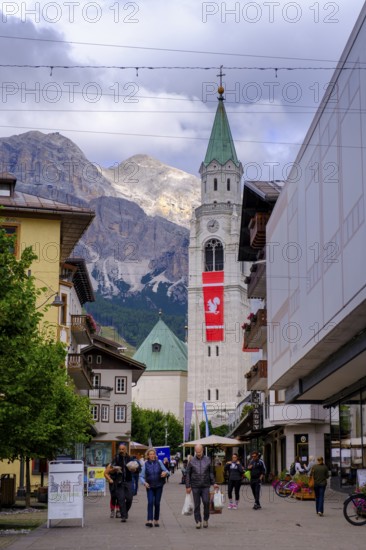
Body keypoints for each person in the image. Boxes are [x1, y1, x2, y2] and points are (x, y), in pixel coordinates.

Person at [185, 444, 219, 529]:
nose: (198, 453)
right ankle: (198, 521)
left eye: (199, 451)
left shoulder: (208, 459)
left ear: (202, 450)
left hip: (205, 485)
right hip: (195, 486)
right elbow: (188, 474)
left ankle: (205, 519)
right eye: (196, 452)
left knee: (206, 502)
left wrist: (214, 482)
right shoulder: (191, 461)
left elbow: (210, 472)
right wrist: (188, 486)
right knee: (197, 504)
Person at [140, 448, 170, 527]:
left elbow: (167, 471)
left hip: (159, 486)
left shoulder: (159, 462)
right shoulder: (145, 464)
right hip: (149, 486)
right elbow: (141, 476)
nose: (152, 455)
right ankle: (149, 520)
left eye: (153, 454)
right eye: (150, 454)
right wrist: (144, 482)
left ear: (155, 455)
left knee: (157, 503)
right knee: (150, 502)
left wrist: (165, 474)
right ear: (148, 456)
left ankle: (156, 520)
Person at [110, 444, 134, 522]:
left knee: (129, 498)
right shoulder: (116, 458)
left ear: (126, 450)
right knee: (121, 499)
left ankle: (125, 511)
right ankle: (123, 516)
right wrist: (115, 469)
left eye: (122, 449)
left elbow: (136, 469)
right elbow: (111, 469)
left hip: (128, 481)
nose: (121, 450)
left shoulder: (129, 458)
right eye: (120, 449)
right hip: (119, 481)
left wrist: (134, 469)